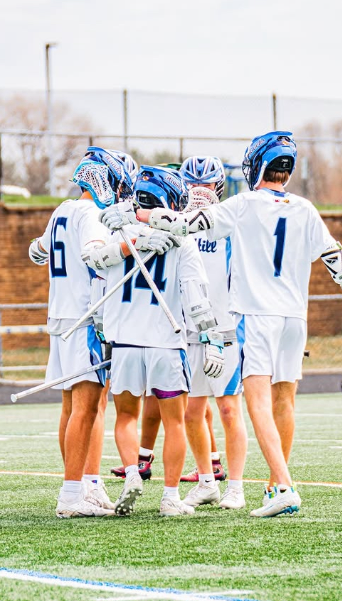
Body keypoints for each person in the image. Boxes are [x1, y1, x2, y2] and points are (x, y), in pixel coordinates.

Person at [101, 132, 342, 517]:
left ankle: (284, 486)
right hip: (294, 317)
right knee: (285, 402)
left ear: (257, 165)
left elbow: (182, 225)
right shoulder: (305, 208)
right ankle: (273, 485)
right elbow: (336, 259)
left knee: (258, 404)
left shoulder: (244, 204)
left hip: (256, 316)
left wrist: (138, 214)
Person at [89, 165, 224, 517]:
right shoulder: (182, 242)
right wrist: (211, 338)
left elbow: (96, 275)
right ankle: (170, 497)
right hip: (166, 343)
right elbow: (196, 297)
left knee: (125, 417)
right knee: (175, 422)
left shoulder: (118, 233)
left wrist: (100, 327)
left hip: (125, 344)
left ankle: (133, 473)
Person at [30, 146, 145, 518]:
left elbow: (36, 252)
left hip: (61, 315)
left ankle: (87, 484)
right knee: (86, 406)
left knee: (76, 406)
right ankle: (71, 494)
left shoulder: (62, 210)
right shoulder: (93, 215)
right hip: (85, 317)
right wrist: (133, 245)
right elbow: (96, 256)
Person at [176, 157, 248, 511]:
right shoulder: (178, 225)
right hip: (190, 331)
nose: (199, 193)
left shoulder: (229, 224)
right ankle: (207, 482)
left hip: (225, 329)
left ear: (217, 187)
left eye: (205, 186)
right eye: (193, 186)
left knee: (229, 409)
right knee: (192, 412)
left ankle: (236, 487)